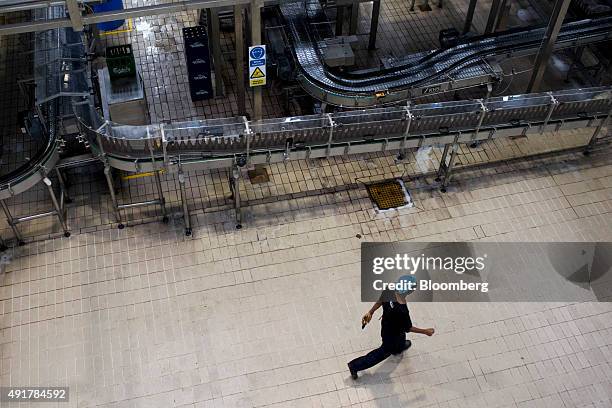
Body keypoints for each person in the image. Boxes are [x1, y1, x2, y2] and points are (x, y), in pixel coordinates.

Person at [348, 275, 434, 379]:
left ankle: (399, 348)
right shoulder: (402, 310)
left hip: (387, 325)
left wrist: (371, 312)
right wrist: (425, 331)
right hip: (391, 335)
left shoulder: (389, 290)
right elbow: (408, 328)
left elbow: (381, 300)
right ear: (408, 291)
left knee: (401, 338)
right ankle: (354, 365)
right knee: (382, 353)